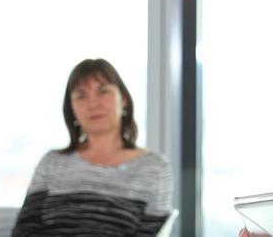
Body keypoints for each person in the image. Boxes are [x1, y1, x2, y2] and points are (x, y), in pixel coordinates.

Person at [12, 58, 173, 236]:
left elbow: (151, 232)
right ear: (71, 109)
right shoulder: (52, 162)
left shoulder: (153, 167)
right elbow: (24, 229)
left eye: (103, 91)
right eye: (81, 95)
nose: (93, 103)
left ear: (124, 99)